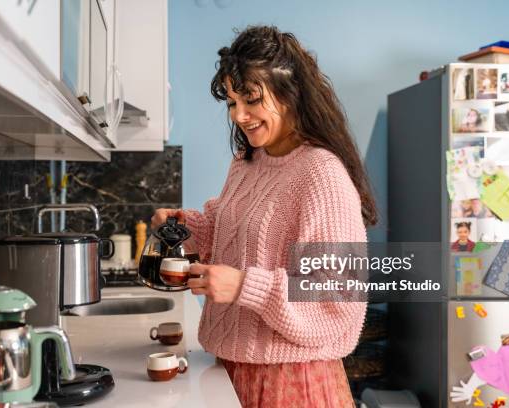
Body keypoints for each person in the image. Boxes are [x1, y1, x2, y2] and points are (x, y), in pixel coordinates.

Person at [152, 26, 376, 407]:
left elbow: (338, 299)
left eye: (251, 100)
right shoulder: (247, 163)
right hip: (231, 367)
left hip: (291, 381)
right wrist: (185, 226)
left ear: (290, 95)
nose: (239, 115)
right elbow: (234, 233)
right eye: (231, 102)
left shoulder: (321, 173)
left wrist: (244, 287)